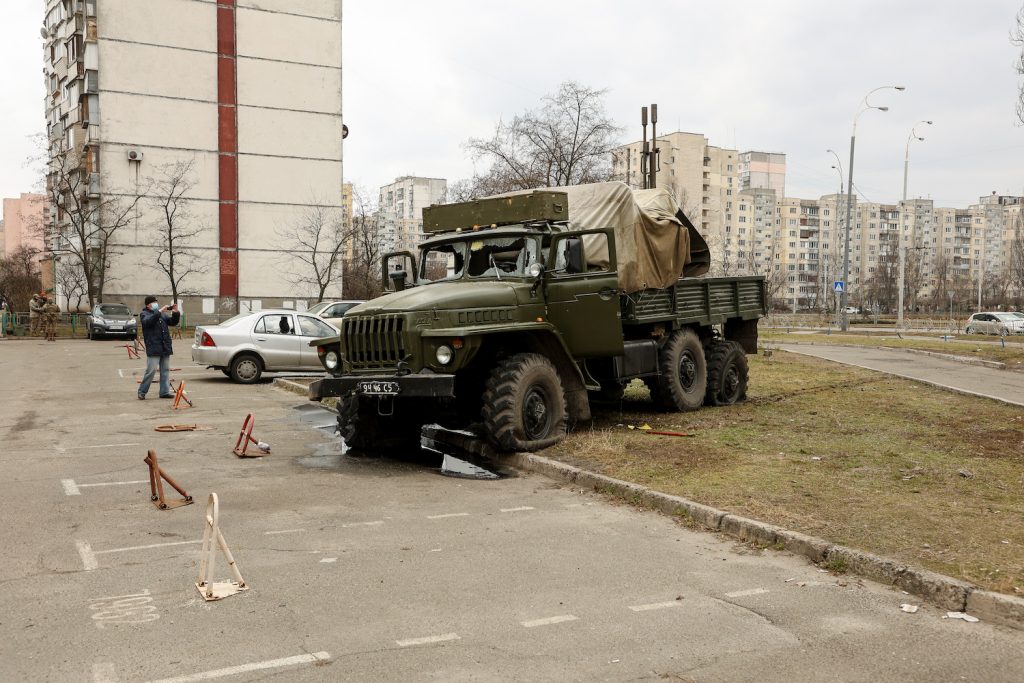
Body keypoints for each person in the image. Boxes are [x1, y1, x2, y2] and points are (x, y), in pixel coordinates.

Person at [138, 295, 180, 400]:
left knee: (165, 370)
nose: (156, 303)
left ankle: (164, 392)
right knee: (151, 370)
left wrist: (175, 312)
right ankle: (142, 391)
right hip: (153, 347)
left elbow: (172, 322)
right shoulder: (144, 314)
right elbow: (149, 322)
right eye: (154, 302)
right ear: (148, 305)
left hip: (164, 346)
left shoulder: (161, 315)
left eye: (156, 302)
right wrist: (160, 311)